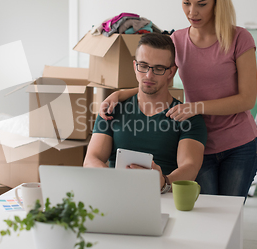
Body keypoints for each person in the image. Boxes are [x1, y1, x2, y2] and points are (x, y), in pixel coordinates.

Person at [99, 0, 257, 198]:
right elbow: (156, 77)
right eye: (186, 3)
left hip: (239, 145)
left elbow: (247, 99)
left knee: (228, 215)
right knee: (203, 216)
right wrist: (120, 94)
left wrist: (196, 107)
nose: (192, 12)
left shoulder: (239, 38)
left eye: (201, 4)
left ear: (217, 2)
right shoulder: (177, 40)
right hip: (198, 142)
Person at [84, 33, 207, 193]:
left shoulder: (188, 118)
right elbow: (91, 160)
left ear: (171, 72)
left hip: (163, 201)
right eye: (143, 66)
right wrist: (113, 180)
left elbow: (189, 167)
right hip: (115, 195)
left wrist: (163, 182)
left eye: (158, 69)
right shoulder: (112, 109)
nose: (149, 75)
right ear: (135, 66)